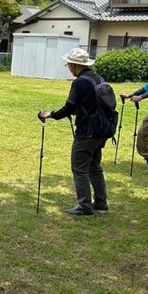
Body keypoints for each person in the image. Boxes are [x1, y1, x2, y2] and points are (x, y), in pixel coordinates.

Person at [38, 47, 109, 216]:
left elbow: (69, 107)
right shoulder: (98, 78)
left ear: (74, 66)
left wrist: (51, 115)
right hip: (102, 130)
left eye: (68, 65)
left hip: (86, 133)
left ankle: (85, 206)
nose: (69, 68)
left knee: (79, 168)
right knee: (94, 167)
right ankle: (101, 203)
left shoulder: (79, 82)